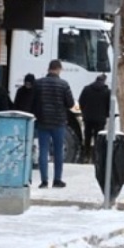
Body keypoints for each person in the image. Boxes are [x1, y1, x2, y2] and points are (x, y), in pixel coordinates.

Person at [32, 60, 74, 188]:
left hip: (42, 121)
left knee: (43, 150)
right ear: (59, 69)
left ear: (49, 68)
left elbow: (33, 101)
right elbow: (70, 103)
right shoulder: (64, 84)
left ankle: (44, 181)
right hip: (58, 122)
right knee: (58, 151)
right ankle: (57, 180)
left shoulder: (38, 84)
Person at [78, 74, 110, 164]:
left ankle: (86, 155)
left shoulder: (86, 89)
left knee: (87, 137)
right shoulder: (107, 91)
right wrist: (106, 114)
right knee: (98, 138)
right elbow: (109, 105)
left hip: (88, 117)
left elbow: (81, 101)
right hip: (100, 119)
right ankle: (96, 157)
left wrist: (84, 111)